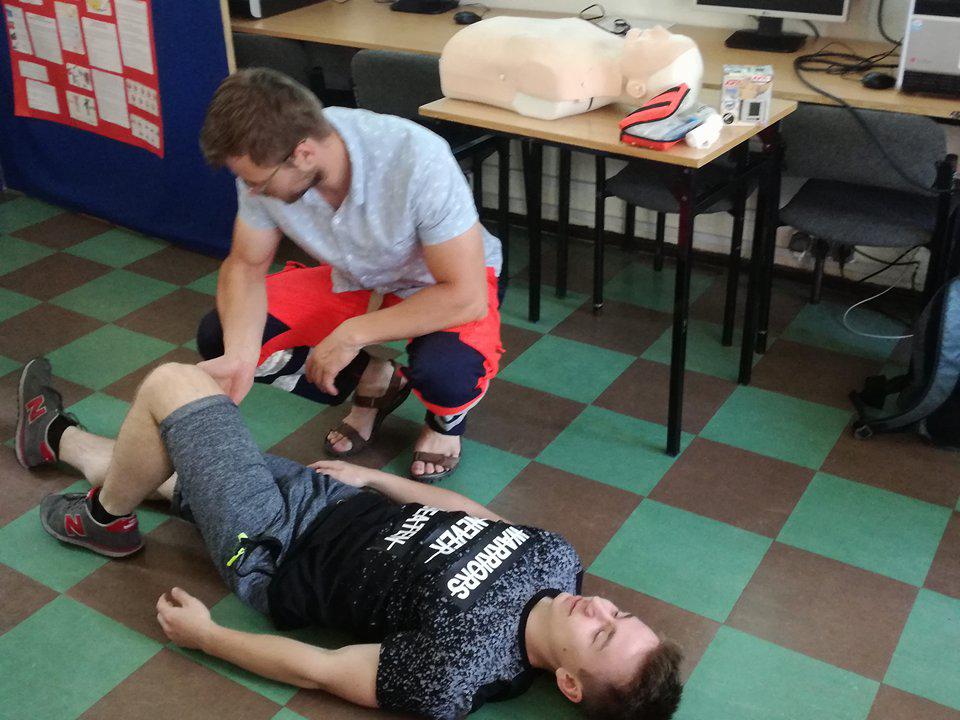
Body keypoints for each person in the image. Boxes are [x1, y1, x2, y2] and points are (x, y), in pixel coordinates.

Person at [16, 357, 684, 720]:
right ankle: (56, 440)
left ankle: (102, 518)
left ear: (569, 684)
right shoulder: (558, 561)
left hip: (277, 549)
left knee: (174, 387)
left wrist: (208, 638)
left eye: (601, 635)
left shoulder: (461, 672)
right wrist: (376, 480)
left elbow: (325, 670)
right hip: (335, 501)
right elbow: (467, 510)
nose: (598, 609)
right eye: (619, 614)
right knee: (170, 463)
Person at [195, 67, 505, 482]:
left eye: (258, 183)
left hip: (443, 283)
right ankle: (376, 378)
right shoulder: (267, 159)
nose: (252, 192)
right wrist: (239, 356)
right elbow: (245, 266)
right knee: (221, 336)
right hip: (357, 277)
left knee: (446, 374)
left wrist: (351, 334)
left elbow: (465, 296)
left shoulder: (416, 156)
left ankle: (444, 424)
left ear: (304, 154)